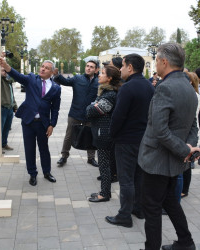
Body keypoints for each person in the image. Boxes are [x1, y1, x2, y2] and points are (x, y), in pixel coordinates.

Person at [138, 42, 200, 250]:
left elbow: (160, 130)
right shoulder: (189, 88)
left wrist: (186, 150)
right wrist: (189, 147)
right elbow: (193, 125)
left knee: (152, 209)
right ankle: (186, 242)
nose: (155, 64)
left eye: (156, 60)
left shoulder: (165, 87)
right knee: (170, 203)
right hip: (175, 162)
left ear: (164, 62)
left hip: (157, 162)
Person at [105, 53, 154, 228]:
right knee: (138, 176)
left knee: (126, 179)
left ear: (130, 67)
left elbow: (118, 116)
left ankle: (124, 215)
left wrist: (112, 134)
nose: (120, 69)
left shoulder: (127, 87)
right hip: (143, 139)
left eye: (123, 66)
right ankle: (138, 208)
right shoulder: (149, 86)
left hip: (126, 140)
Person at [0, 56, 61, 186]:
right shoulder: (32, 79)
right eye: (42, 66)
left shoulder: (56, 88)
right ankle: (32, 174)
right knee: (29, 149)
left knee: (44, 149)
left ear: (52, 72)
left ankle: (47, 172)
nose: (43, 69)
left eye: (47, 68)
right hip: (28, 122)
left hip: (43, 123)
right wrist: (6, 65)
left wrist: (52, 125)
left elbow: (55, 108)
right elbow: (18, 76)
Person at [53, 60, 99, 167]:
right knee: (69, 136)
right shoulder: (77, 78)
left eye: (91, 67)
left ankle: (91, 158)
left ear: (96, 70)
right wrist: (57, 75)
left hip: (90, 115)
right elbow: (65, 82)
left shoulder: (99, 82)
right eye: (87, 66)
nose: (88, 68)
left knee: (91, 136)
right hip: (75, 113)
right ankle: (64, 157)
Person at [86, 65, 121, 202]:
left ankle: (105, 193)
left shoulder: (110, 95)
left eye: (102, 73)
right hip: (102, 132)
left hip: (104, 134)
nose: (99, 75)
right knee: (105, 164)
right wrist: (94, 104)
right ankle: (104, 191)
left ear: (109, 78)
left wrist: (92, 105)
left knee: (104, 164)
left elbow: (91, 111)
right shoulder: (105, 93)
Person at [182, 72, 200, 198]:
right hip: (191, 129)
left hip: (190, 130)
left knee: (186, 164)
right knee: (186, 163)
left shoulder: (192, 95)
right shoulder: (193, 94)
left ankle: (185, 189)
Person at [1, 68, 17, 151]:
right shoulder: (0, 80)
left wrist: (15, 106)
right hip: (2, 108)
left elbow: (12, 95)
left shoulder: (9, 81)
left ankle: (4, 144)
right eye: (3, 70)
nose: (5, 72)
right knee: (0, 128)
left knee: (7, 128)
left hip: (10, 108)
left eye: (5, 71)